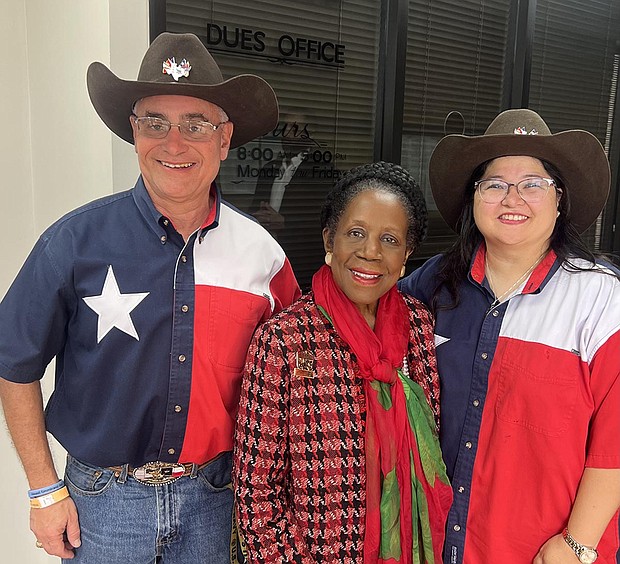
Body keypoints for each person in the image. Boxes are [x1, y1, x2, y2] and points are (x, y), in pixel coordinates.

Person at [0, 32, 300, 563]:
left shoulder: (263, 255)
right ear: (133, 133)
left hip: (216, 500)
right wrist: (44, 489)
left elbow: (294, 384)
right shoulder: (74, 242)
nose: (174, 143)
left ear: (225, 140)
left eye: (195, 125)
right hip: (103, 503)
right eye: (155, 123)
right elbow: (13, 362)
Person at [399, 108, 620, 563]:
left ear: (560, 200)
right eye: (495, 184)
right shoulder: (436, 283)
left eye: (533, 184)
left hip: (543, 551)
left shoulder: (600, 298)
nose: (512, 198)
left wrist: (577, 545)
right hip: (436, 541)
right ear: (474, 199)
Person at [233, 161, 452, 563]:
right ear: (329, 242)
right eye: (356, 233)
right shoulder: (284, 339)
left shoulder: (418, 325)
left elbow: (432, 436)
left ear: (406, 256)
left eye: (389, 239)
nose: (370, 252)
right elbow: (255, 488)